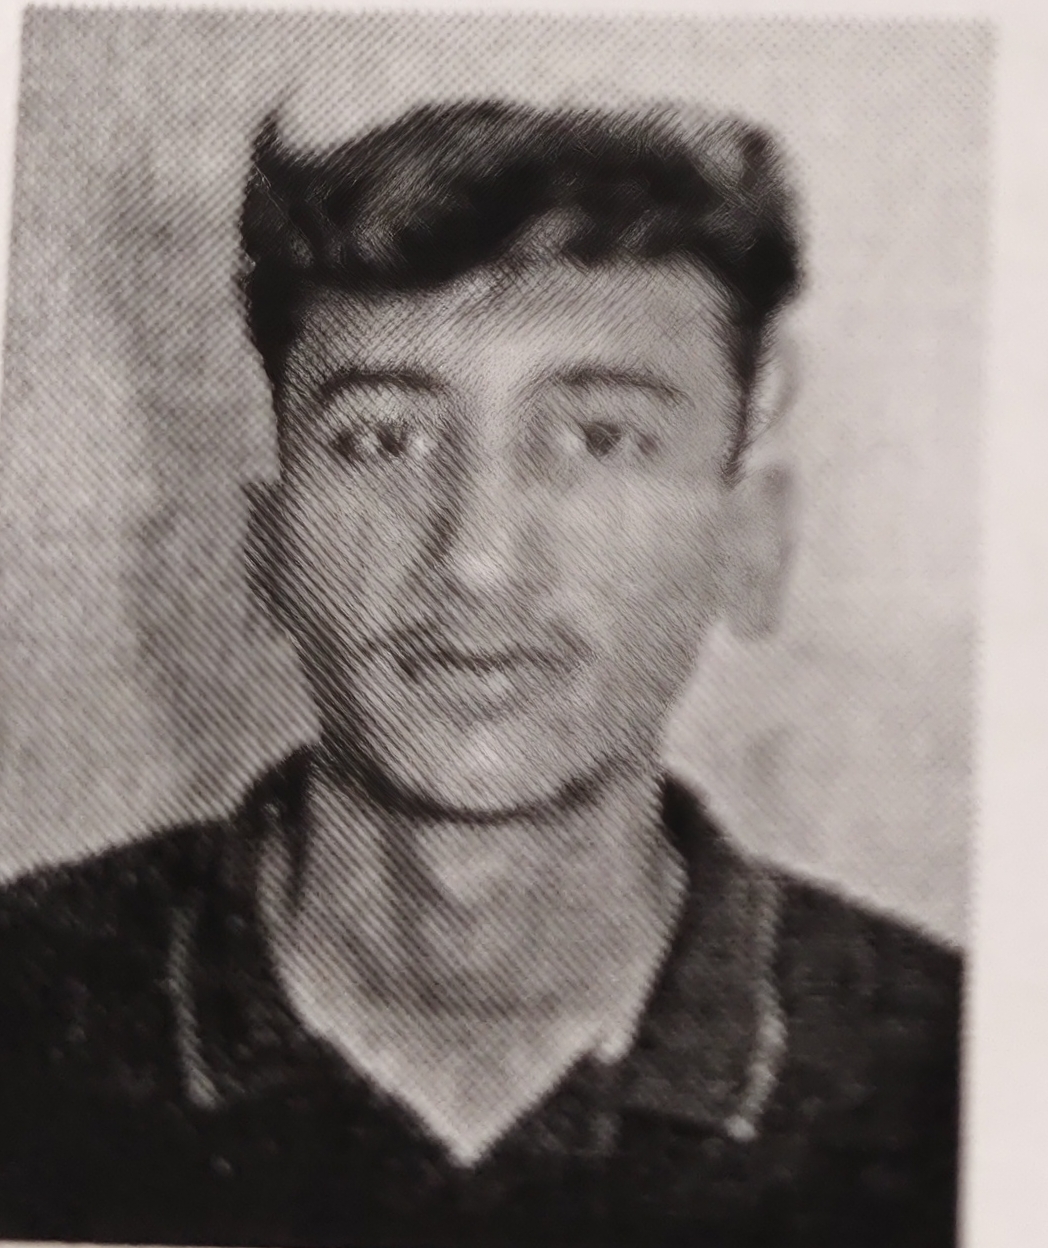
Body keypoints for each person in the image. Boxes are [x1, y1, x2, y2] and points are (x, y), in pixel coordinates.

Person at [0, 100, 960, 1247]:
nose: (476, 558)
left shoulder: (950, 1074)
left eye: (601, 438)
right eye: (381, 440)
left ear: (749, 547)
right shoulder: (26, 1001)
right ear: (270, 552)